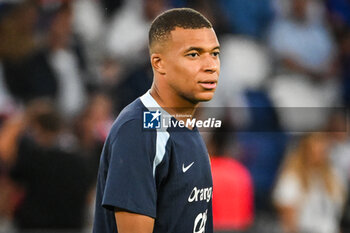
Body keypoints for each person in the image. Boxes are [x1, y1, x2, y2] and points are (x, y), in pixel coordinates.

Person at [93, 8, 220, 233]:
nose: (210, 66)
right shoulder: (139, 130)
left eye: (214, 53)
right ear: (159, 63)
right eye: (193, 54)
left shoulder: (184, 125)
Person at [273, 133, 347, 233]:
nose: (320, 155)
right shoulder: (292, 177)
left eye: (323, 150)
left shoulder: (334, 176)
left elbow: (334, 217)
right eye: (315, 151)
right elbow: (288, 219)